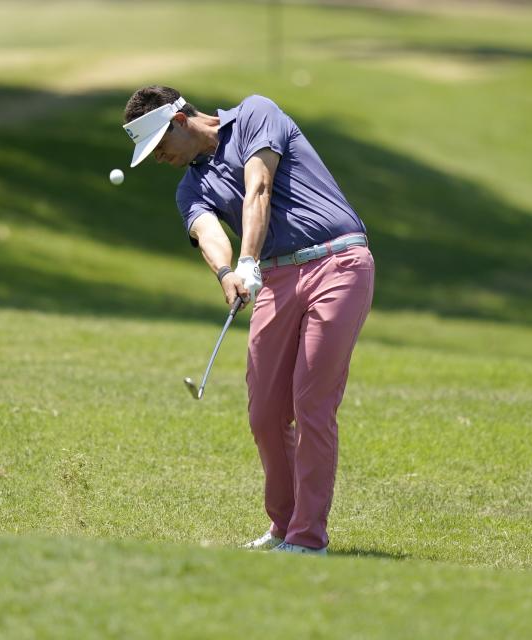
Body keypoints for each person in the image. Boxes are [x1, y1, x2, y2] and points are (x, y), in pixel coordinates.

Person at [122, 86, 374, 555]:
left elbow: (259, 185)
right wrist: (227, 273)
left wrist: (248, 259)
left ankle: (308, 537)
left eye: (160, 147)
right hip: (275, 279)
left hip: (337, 263)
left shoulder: (257, 113)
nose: (160, 159)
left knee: (311, 401)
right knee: (264, 414)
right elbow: (207, 230)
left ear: (180, 121)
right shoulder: (190, 187)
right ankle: (283, 527)